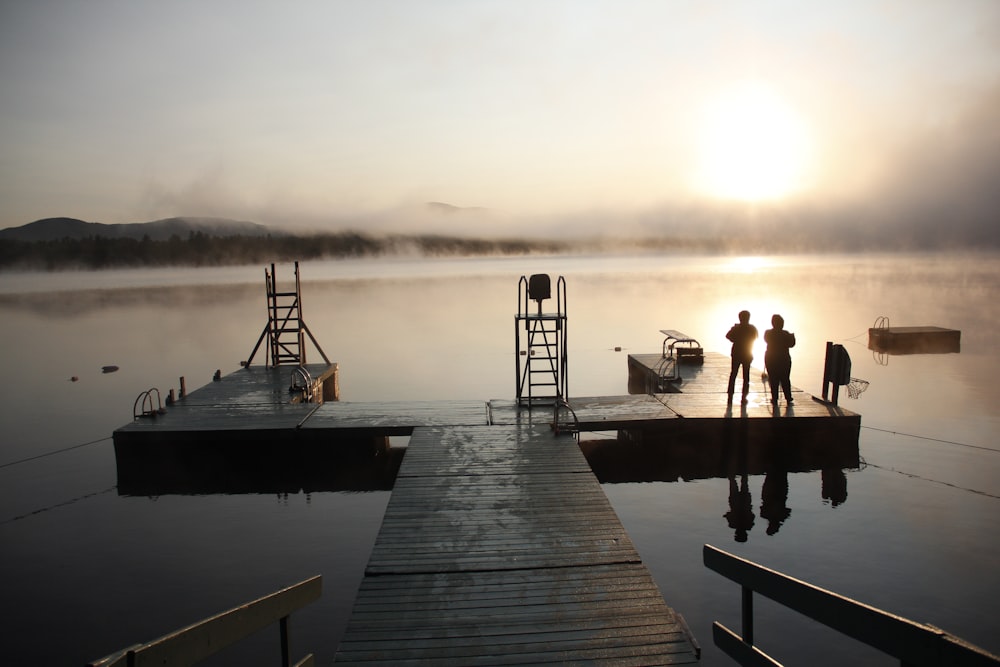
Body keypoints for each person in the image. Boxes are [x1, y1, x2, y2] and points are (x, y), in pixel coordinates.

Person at [726, 310, 757, 405]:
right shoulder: (752, 328)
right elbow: (754, 338)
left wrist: (735, 338)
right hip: (747, 353)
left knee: (733, 374)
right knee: (746, 376)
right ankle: (744, 397)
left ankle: (730, 394)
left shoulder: (736, 328)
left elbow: (728, 336)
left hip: (736, 352)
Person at [764, 314, 796, 405]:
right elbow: (792, 344)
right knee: (785, 378)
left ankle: (775, 398)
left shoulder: (768, 333)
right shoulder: (786, 334)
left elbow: (766, 340)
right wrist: (792, 337)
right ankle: (788, 398)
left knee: (773, 378)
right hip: (784, 359)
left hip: (771, 358)